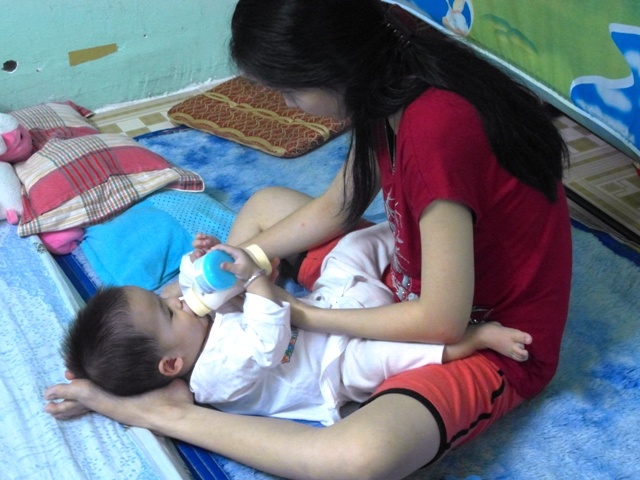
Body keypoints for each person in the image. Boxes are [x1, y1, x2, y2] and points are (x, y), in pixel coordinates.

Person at [45, 1, 572, 478]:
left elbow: (443, 321)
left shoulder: (436, 127)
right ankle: (185, 316)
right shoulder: (386, 78)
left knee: (356, 458)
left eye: (290, 91)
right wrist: (241, 262)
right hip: (403, 277)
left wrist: (300, 314)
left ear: (331, 70)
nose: (290, 105)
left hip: (488, 330)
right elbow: (340, 204)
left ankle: (167, 413)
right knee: (267, 206)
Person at [62, 223, 532, 426]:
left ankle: (414, 231)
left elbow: (195, 285)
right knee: (390, 357)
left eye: (163, 296)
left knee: (351, 250)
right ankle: (474, 338)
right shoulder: (214, 376)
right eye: (167, 310)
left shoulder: (191, 325)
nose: (177, 299)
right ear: (171, 364)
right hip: (332, 367)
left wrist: (203, 257)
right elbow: (268, 339)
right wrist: (255, 281)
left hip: (326, 307)